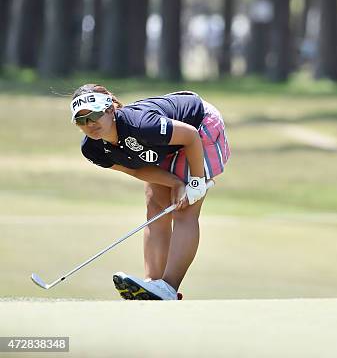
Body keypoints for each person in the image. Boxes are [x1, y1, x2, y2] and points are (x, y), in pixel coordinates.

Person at [70, 84, 230, 300]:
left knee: (185, 208)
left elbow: (190, 136)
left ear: (109, 110)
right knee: (155, 205)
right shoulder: (92, 149)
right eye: (81, 120)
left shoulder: (141, 125)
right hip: (167, 143)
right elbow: (136, 169)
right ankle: (152, 284)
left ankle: (168, 288)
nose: (90, 124)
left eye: (94, 115)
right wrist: (174, 182)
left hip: (199, 125)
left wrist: (195, 182)